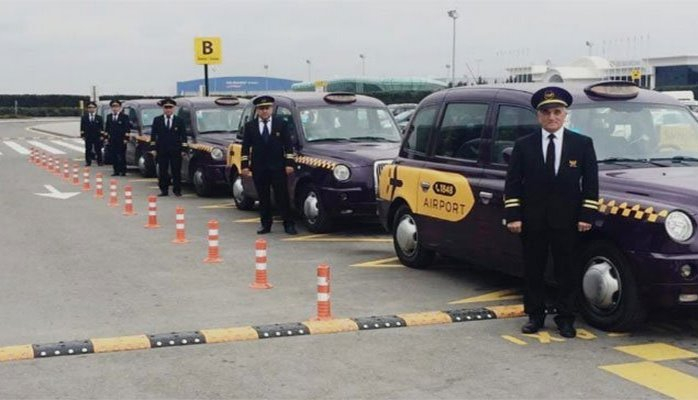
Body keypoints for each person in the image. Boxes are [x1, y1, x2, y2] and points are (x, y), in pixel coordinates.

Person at [504, 86, 599, 338]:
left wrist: (586, 216)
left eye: (557, 112)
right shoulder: (523, 146)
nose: (552, 117)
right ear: (538, 116)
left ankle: (566, 318)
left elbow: (590, 184)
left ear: (565, 114)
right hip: (532, 220)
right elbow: (513, 183)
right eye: (546, 112)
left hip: (567, 221)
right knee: (533, 269)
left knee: (566, 270)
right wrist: (513, 216)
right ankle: (535, 316)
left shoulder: (582, 144)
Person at [240, 95, 297, 235]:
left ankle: (288, 224)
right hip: (259, 168)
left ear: (272, 109)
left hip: (278, 167)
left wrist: (289, 163)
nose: (264, 111)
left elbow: (289, 146)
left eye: (267, 108)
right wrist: (245, 166)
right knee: (263, 198)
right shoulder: (250, 126)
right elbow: (245, 148)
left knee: (282, 197)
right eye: (261, 109)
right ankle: (266, 225)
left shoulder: (281, 124)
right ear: (257, 110)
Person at [150, 98, 187, 197]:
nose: (168, 110)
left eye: (170, 107)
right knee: (163, 171)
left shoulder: (179, 120)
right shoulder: (157, 120)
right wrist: (153, 149)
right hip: (162, 150)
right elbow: (153, 135)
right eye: (166, 107)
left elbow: (184, 136)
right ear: (163, 108)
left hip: (176, 150)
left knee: (176, 171)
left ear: (173, 108)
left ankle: (177, 190)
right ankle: (164, 190)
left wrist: (183, 149)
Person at [104, 99, 130, 176]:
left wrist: (126, 139)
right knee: (114, 155)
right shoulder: (109, 117)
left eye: (116, 106)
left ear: (120, 107)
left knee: (122, 155)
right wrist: (106, 138)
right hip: (112, 139)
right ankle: (116, 171)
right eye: (113, 106)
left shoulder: (124, 117)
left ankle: (123, 170)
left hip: (121, 140)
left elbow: (127, 128)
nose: (115, 108)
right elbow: (107, 128)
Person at [80, 101, 104, 166]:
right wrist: (82, 135)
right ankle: (88, 162)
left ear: (95, 108)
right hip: (88, 135)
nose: (91, 109)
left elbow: (101, 128)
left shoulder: (99, 117)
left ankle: (99, 161)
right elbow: (82, 127)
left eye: (93, 107)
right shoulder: (84, 117)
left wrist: (102, 135)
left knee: (98, 149)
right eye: (90, 107)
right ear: (87, 109)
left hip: (97, 135)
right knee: (88, 149)